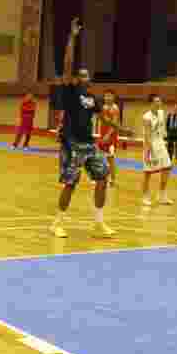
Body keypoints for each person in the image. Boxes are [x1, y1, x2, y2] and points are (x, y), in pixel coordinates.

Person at [50, 18, 123, 239]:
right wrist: (72, 38)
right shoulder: (70, 92)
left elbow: (103, 117)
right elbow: (67, 64)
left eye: (85, 75)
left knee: (103, 176)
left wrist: (119, 128)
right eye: (79, 74)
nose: (82, 77)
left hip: (89, 145)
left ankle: (99, 223)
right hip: (72, 143)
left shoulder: (92, 98)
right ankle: (57, 223)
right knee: (71, 184)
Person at [141, 94, 174, 206]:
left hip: (160, 142)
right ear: (151, 103)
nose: (159, 103)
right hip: (150, 144)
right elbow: (147, 136)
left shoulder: (161, 112)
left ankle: (162, 195)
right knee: (148, 173)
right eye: (156, 101)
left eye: (159, 101)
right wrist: (150, 152)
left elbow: (161, 128)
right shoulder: (147, 117)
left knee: (167, 167)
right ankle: (145, 197)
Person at [95, 91, 120, 186]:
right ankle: (100, 177)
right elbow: (101, 121)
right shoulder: (103, 107)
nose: (107, 98)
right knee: (100, 157)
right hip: (102, 136)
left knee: (110, 159)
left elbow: (114, 125)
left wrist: (107, 135)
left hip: (111, 138)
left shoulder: (115, 108)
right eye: (106, 96)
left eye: (110, 96)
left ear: (113, 97)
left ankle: (112, 180)